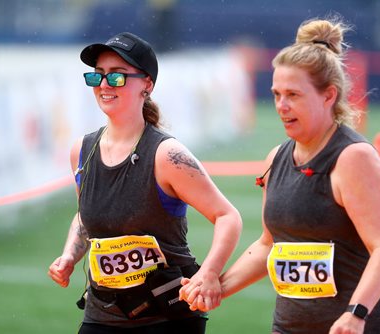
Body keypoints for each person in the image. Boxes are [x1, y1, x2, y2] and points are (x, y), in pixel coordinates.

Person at [180, 18, 380, 334]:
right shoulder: (277, 158)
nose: (281, 106)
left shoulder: (353, 158)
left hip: (354, 326)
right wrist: (215, 287)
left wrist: (356, 314)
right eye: (276, 94)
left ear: (328, 96)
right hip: (289, 326)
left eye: (293, 95)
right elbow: (269, 245)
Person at [48, 32, 242, 334]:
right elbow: (84, 217)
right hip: (102, 316)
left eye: (117, 77)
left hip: (167, 319)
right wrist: (70, 256)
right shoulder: (82, 151)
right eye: (97, 76)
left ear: (147, 84)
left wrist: (209, 273)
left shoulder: (167, 155)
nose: (103, 85)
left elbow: (227, 216)